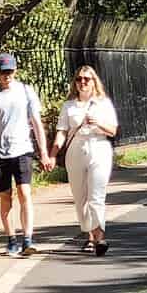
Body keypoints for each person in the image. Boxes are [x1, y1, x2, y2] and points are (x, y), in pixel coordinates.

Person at [0, 52, 50, 257]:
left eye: (10, 71)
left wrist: (43, 152)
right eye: (3, 72)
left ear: (15, 70)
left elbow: (36, 122)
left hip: (22, 150)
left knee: (25, 193)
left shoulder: (26, 91)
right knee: (5, 197)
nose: (6, 75)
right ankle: (11, 239)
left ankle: (28, 240)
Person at [53, 66, 118, 255]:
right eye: (79, 79)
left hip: (99, 148)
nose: (83, 82)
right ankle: (90, 234)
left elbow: (113, 130)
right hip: (76, 150)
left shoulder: (103, 103)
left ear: (94, 82)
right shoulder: (69, 106)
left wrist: (97, 123)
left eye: (87, 79)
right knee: (80, 199)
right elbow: (62, 132)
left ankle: (99, 238)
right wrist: (52, 153)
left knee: (96, 197)